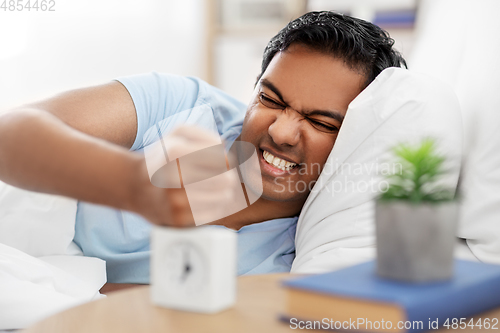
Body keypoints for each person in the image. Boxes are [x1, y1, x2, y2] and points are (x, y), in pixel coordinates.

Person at [0, 11, 406, 284]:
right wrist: (133, 185)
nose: (281, 132)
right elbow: (9, 134)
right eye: (270, 99)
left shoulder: (300, 252)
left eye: (321, 123)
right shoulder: (188, 106)